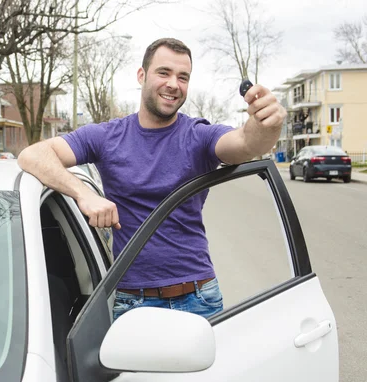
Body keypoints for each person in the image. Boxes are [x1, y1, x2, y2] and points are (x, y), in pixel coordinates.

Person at [18, 38, 286, 320]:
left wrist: (267, 124)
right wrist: (83, 193)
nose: (174, 84)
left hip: (199, 298)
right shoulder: (106, 137)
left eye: (183, 77)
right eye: (164, 72)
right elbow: (32, 155)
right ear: (141, 75)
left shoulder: (198, 135)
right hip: (132, 302)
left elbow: (246, 144)